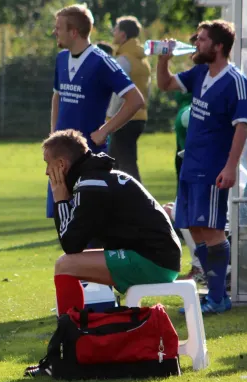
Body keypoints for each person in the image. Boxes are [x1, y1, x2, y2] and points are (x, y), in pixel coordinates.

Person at [157, 20, 247, 313]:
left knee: (211, 229)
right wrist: (164, 60)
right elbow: (165, 84)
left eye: (202, 39)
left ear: (219, 46)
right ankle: (213, 293)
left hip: (213, 167)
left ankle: (217, 298)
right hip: (190, 164)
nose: (196, 43)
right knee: (195, 228)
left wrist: (231, 166)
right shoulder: (199, 73)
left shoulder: (236, 80)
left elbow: (242, 127)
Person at [43, 129, 181, 316]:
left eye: (47, 163)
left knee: (65, 265)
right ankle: (87, 325)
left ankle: (71, 330)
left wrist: (60, 200)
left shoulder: (90, 184)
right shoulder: (97, 177)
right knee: (73, 262)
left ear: (61, 164)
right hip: (159, 257)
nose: (45, 171)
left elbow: (71, 244)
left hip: (153, 262)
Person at [46, 4, 145, 219]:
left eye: (59, 27)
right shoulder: (61, 59)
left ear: (74, 32)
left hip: (87, 155)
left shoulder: (102, 61)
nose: (55, 32)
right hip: (60, 155)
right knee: (62, 218)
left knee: (88, 221)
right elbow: (57, 96)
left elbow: (135, 99)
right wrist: (54, 134)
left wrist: (104, 130)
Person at [106, 16, 151, 182]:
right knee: (114, 161)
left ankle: (138, 202)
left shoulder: (123, 60)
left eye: (116, 29)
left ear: (123, 35)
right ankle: (116, 200)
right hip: (140, 117)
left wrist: (110, 118)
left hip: (124, 118)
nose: (114, 32)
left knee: (126, 164)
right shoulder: (143, 61)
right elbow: (148, 89)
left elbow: (118, 93)